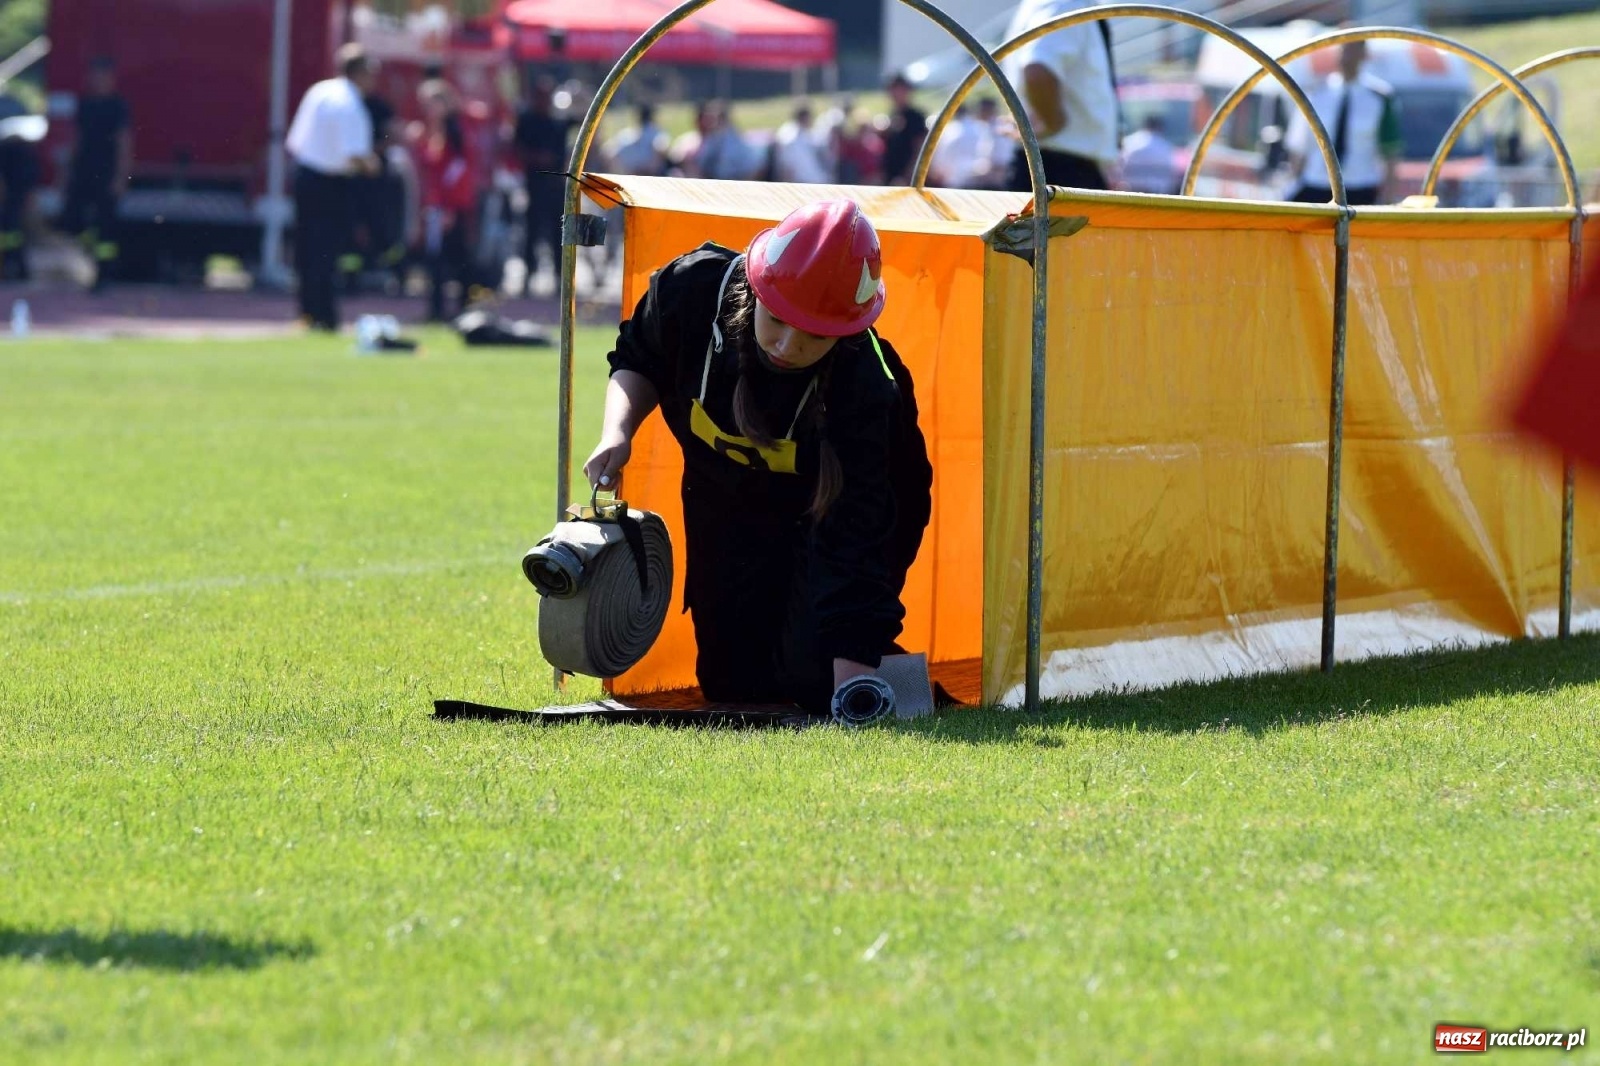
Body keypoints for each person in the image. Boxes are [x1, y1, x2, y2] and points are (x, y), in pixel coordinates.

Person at [582, 200, 934, 712]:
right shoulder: (692, 289)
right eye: (779, 320)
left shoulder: (866, 385)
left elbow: (858, 537)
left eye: (814, 334)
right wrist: (616, 433)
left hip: (843, 521)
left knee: (817, 679)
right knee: (733, 687)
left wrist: (850, 677)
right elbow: (639, 354)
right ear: (756, 288)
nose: (788, 345)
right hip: (727, 508)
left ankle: (904, 690)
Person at [286, 43, 378, 331]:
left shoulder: (319, 91)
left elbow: (296, 141)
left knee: (307, 249)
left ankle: (308, 312)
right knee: (327, 251)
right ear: (360, 72)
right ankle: (325, 316)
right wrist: (374, 165)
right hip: (330, 182)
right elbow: (353, 154)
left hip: (305, 175)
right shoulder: (349, 103)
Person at [1001, 0, 1119, 191]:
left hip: (1053, 165)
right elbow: (1037, 71)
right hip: (1061, 171)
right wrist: (1053, 123)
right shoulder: (1065, 3)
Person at [1286, 40, 1402, 206]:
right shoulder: (1316, 92)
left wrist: (1388, 198)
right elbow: (1299, 146)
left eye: (1354, 49)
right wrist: (1295, 181)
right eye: (1344, 48)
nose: (1348, 56)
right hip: (1316, 184)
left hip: (1360, 187)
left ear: (1363, 54)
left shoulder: (1381, 97)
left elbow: (1390, 151)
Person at [60, 57, 132, 293]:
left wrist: (121, 177)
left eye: (102, 76)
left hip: (106, 172)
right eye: (94, 76)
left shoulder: (118, 106)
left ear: (110, 78)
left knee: (105, 227)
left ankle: (105, 272)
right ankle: (88, 262)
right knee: (73, 221)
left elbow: (124, 143)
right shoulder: (85, 104)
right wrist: (67, 171)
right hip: (84, 171)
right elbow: (76, 140)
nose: (97, 81)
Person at [418, 103, 477, 322]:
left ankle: (448, 309)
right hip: (440, 206)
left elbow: (454, 173)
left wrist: (447, 207)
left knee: (446, 260)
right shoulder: (435, 135)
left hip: (448, 208)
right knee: (447, 258)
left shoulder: (454, 135)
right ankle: (445, 308)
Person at [513, 76, 571, 295]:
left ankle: (558, 278)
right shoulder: (527, 121)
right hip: (534, 186)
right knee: (532, 234)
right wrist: (537, 158)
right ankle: (529, 276)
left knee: (558, 235)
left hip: (555, 187)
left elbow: (566, 153)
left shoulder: (558, 123)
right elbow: (518, 149)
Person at [0, 108, 42, 282]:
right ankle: (17, 268)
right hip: (13, 195)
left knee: (12, 231)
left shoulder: (15, 152)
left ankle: (15, 267)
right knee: (13, 231)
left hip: (13, 196)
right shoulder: (21, 151)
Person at [880, 73, 926, 186]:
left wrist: (908, 176)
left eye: (899, 89)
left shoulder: (916, 117)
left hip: (907, 179)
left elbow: (919, 149)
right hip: (890, 177)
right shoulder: (892, 115)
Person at [771, 105, 834, 185]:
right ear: (804, 118)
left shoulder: (806, 134)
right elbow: (787, 167)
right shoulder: (790, 137)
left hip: (815, 182)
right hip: (804, 184)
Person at [1119, 114, 1178, 195]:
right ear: (1159, 127)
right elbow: (1172, 176)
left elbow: (1119, 169)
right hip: (1158, 195)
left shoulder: (1129, 143)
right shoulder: (1166, 147)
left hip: (1130, 193)